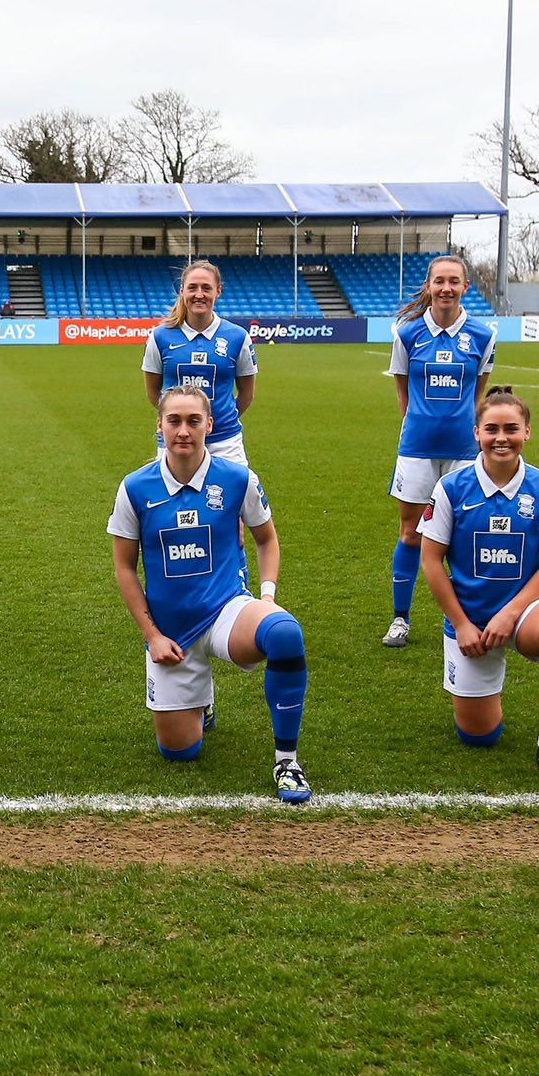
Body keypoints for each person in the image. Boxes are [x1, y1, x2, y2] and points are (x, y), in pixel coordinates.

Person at [108, 385, 312, 804]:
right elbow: (125, 568)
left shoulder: (238, 479)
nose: (184, 431)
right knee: (180, 752)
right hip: (171, 633)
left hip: (226, 612)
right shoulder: (134, 488)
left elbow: (267, 539)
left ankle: (287, 760)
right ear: (160, 427)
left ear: (209, 425)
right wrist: (152, 636)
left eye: (193, 421)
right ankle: (202, 702)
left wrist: (268, 596)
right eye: (175, 421)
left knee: (285, 633)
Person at [417, 386, 539, 785]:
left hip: (523, 612)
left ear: (527, 432)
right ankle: (483, 691)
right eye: (491, 428)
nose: (501, 437)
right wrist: (460, 624)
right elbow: (430, 559)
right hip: (471, 622)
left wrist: (510, 613)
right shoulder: (451, 489)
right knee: (479, 737)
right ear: (476, 433)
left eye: (511, 428)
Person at [381, 254, 497, 649]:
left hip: (464, 450)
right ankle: (400, 618)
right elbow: (402, 391)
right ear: (429, 285)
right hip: (416, 447)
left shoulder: (483, 336)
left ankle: (468, 616)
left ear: (466, 287)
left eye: (454, 281)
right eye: (439, 281)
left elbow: (477, 393)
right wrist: (419, 426)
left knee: (463, 534)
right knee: (411, 533)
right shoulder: (407, 333)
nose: (446, 288)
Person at [141, 259, 258, 463]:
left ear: (218, 291)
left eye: (206, 288)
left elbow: (247, 395)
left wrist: (218, 421)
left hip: (225, 442)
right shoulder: (160, 337)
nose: (199, 294)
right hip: (176, 441)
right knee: (172, 495)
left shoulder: (238, 337)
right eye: (192, 287)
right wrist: (178, 422)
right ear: (182, 291)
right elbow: (153, 394)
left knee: (235, 493)